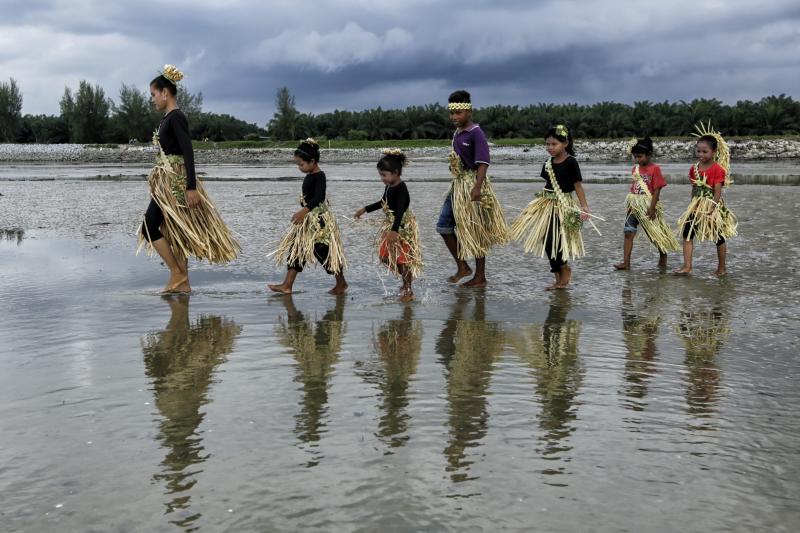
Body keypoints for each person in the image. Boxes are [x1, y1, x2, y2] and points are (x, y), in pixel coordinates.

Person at [137, 64, 239, 294]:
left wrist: (191, 187)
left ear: (165, 92)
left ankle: (177, 273)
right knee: (175, 230)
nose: (152, 99)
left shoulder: (177, 117)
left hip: (176, 184)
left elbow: (188, 151)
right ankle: (184, 285)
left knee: (148, 226)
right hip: (167, 183)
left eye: (153, 94)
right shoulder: (168, 118)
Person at [436, 90, 509, 288]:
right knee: (443, 226)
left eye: (458, 113)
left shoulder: (476, 132)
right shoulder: (457, 133)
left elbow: (483, 162)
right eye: (452, 113)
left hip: (473, 185)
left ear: (468, 111)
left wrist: (477, 187)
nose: (454, 117)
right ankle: (463, 267)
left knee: (476, 229)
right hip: (458, 186)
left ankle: (480, 276)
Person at [510, 124, 590, 289]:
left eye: (554, 144)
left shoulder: (571, 162)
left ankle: (564, 268)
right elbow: (548, 184)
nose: (550, 148)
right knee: (546, 239)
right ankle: (557, 275)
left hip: (563, 206)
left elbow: (578, 186)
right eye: (547, 144)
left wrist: (584, 206)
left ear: (565, 143)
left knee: (557, 239)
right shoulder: (548, 163)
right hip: (546, 205)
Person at [269, 138, 348, 294]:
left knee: (323, 251)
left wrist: (303, 211)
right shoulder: (310, 175)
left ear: (312, 161)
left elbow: (319, 197)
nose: (300, 167)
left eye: (301, 164)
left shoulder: (319, 176)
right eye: (298, 164)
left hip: (318, 222)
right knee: (296, 250)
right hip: (308, 222)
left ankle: (341, 283)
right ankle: (287, 285)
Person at [354, 149, 422, 302]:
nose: (382, 178)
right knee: (384, 257)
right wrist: (365, 209)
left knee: (402, 259)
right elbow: (382, 203)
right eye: (381, 175)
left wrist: (395, 230)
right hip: (391, 225)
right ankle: (406, 281)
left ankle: (408, 290)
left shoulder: (402, 189)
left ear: (396, 172)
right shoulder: (389, 186)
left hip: (401, 227)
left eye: (384, 175)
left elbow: (400, 212)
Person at [674, 123, 737, 276]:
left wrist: (713, 207)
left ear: (714, 152)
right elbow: (694, 188)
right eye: (699, 151)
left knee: (718, 236)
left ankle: (722, 268)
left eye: (705, 151)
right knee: (687, 233)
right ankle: (687, 266)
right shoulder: (694, 168)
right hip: (696, 205)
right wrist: (691, 205)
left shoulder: (717, 169)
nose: (701, 154)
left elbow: (717, 190)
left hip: (711, 206)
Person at [614, 136, 679, 270]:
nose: (638, 159)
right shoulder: (635, 169)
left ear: (649, 155)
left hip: (648, 205)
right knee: (628, 233)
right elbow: (634, 187)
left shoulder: (655, 169)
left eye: (640, 156)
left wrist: (652, 208)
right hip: (634, 205)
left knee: (653, 234)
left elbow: (657, 190)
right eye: (635, 157)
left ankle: (663, 256)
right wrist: (630, 205)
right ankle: (626, 262)